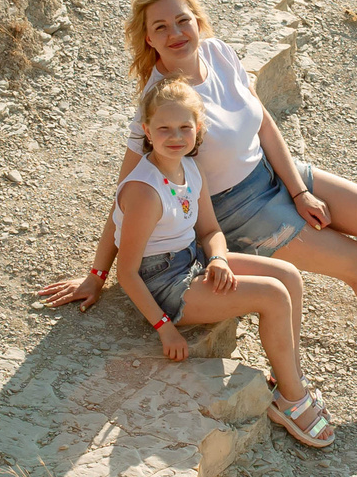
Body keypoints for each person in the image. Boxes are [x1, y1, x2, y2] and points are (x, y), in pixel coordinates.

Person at [40, 0, 357, 416]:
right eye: (160, 27)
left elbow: (264, 123)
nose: (176, 32)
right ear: (148, 39)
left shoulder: (219, 53)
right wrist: (97, 274)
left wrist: (300, 189)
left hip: (274, 174)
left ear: (197, 20)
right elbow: (126, 196)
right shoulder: (161, 105)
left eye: (182, 19)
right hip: (238, 211)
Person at [115, 79, 332, 448]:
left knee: (289, 276)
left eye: (185, 127)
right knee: (273, 296)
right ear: (147, 131)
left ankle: (288, 378)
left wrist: (217, 257)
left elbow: (211, 230)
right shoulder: (145, 191)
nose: (175, 136)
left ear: (198, 129)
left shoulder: (189, 169)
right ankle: (292, 401)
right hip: (164, 283)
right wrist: (165, 328)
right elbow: (128, 272)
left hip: (194, 260)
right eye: (164, 128)